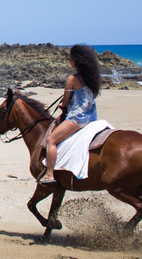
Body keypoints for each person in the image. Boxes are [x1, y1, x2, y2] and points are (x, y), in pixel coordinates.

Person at [39, 43, 102, 184]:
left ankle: (49, 174)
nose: (69, 61)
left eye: (70, 58)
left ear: (76, 60)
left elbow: (65, 103)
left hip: (77, 119)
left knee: (51, 140)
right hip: (92, 116)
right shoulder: (93, 78)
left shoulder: (72, 79)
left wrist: (62, 105)